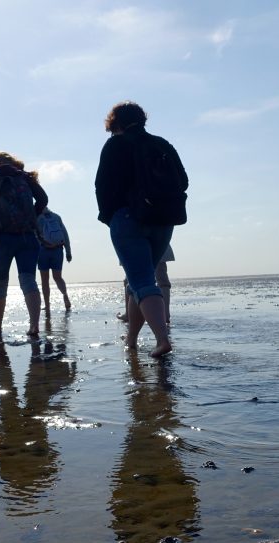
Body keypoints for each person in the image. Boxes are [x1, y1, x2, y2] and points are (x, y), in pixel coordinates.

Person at [95, 101, 186, 358]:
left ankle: (162, 339)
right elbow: (183, 180)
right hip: (163, 220)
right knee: (139, 281)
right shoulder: (161, 144)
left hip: (127, 218)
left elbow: (102, 186)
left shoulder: (115, 145)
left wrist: (111, 216)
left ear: (115, 122)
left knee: (143, 280)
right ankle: (132, 340)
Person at [0, 152, 48, 337]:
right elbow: (43, 199)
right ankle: (34, 325)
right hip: (27, 236)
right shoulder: (25, 177)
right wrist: (32, 216)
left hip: (2, 238)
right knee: (28, 280)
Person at [117, 244, 173, 326]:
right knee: (161, 277)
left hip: (134, 239)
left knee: (130, 277)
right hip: (157, 236)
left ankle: (128, 314)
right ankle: (165, 314)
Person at [36, 207, 73, 314]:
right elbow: (65, 235)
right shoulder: (56, 217)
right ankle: (65, 296)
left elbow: (35, 236)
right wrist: (68, 252)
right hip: (58, 250)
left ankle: (47, 306)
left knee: (45, 280)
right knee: (58, 277)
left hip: (43, 250)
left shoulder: (37, 218)